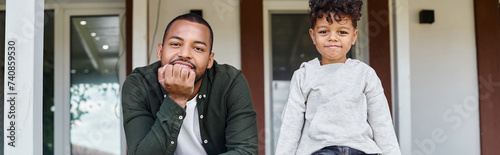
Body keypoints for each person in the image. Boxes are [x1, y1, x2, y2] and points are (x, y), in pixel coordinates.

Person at [275, 0, 401, 154]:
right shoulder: (303, 75)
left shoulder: (365, 74)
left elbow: (382, 124)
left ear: (354, 36)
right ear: (312, 36)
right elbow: (290, 125)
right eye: (323, 32)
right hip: (320, 150)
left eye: (342, 32)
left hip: (361, 150)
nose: (332, 38)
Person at [121, 13, 258, 155]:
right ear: (160, 51)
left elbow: (246, 151)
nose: (185, 54)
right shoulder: (139, 85)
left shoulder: (230, 82)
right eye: (175, 44)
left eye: (198, 48)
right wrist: (176, 99)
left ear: (210, 60)